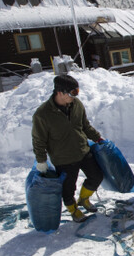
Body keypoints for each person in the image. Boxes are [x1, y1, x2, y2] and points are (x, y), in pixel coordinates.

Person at [32, 74, 104, 223]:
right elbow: (39, 140)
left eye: (76, 92)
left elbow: (85, 125)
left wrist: (97, 137)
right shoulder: (42, 114)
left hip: (82, 150)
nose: (75, 96)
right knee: (68, 188)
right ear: (60, 92)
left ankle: (84, 199)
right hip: (63, 158)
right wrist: (41, 160)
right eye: (72, 93)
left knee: (97, 176)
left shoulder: (76, 104)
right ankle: (73, 210)